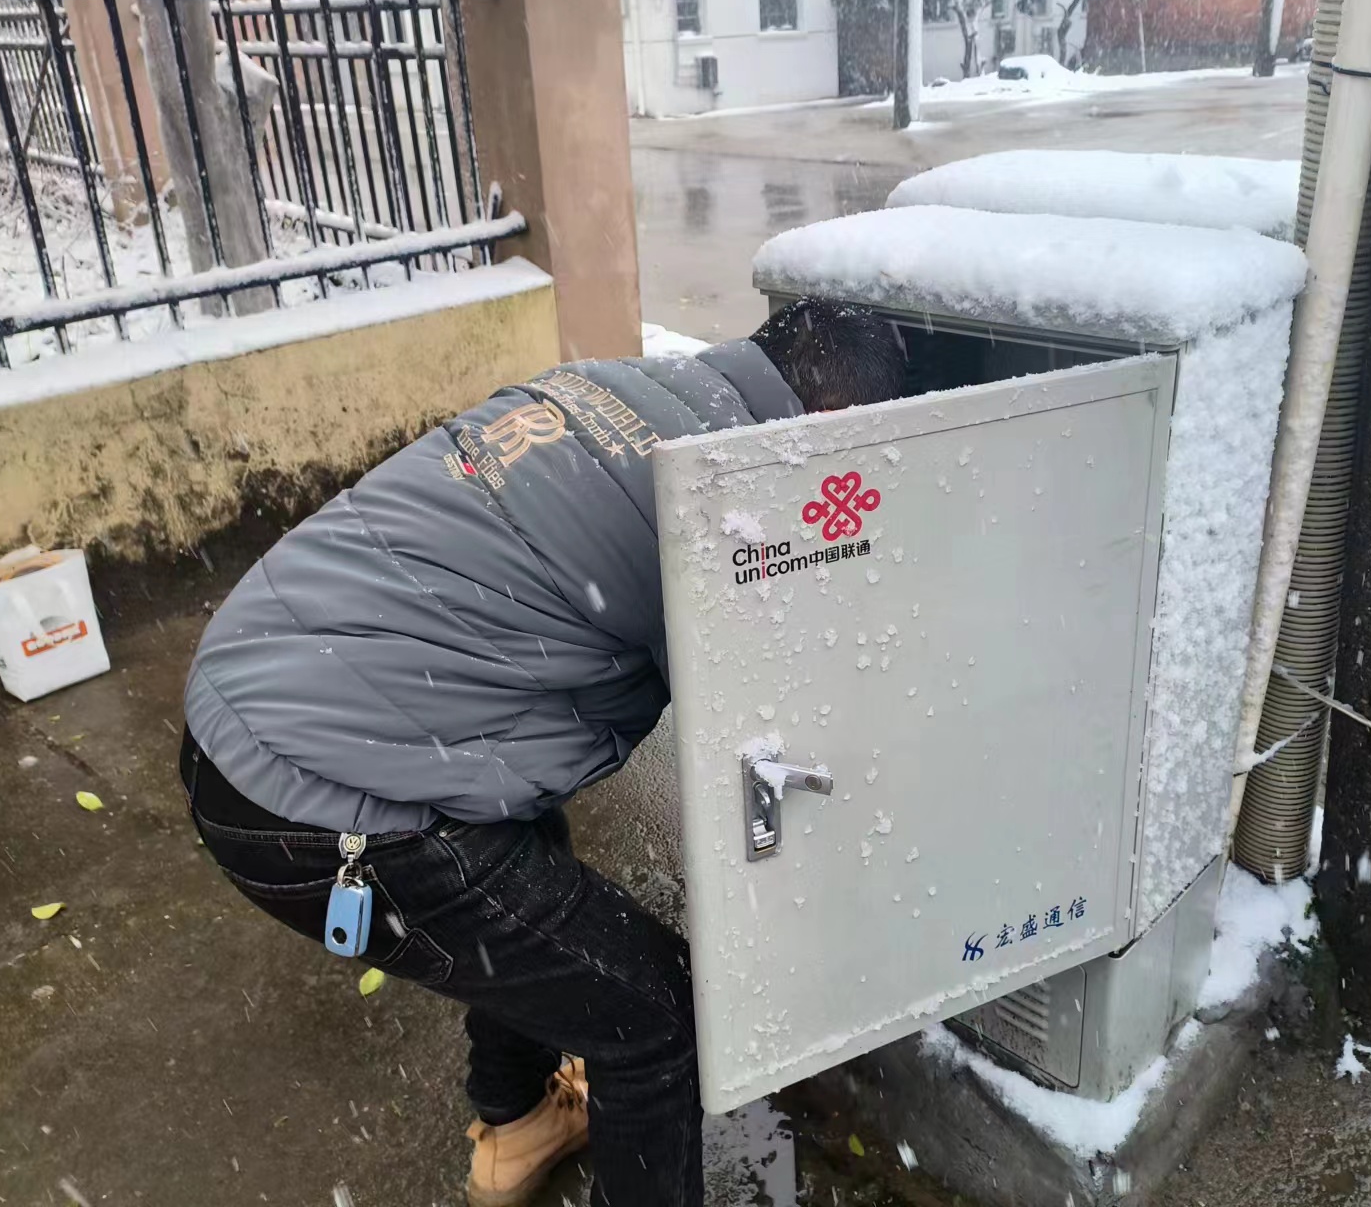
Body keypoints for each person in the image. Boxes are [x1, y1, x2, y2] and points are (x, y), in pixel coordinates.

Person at [178, 298, 907, 1207]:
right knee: (653, 1019)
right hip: (308, 805)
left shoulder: (618, 386)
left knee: (532, 896)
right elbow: (766, 725)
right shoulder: (730, 500)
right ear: (838, 418)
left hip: (244, 693)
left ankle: (517, 1125)